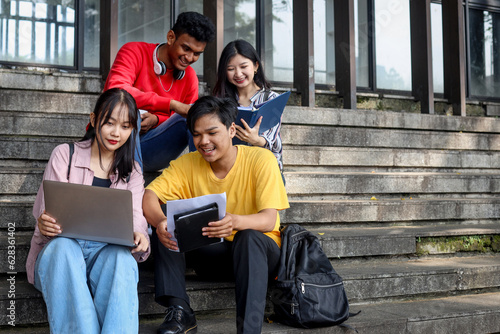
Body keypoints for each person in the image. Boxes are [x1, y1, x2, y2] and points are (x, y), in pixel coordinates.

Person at [143, 96, 289, 334]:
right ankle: (180, 311)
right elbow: (149, 195)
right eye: (197, 134)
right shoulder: (187, 164)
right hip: (214, 254)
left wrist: (236, 221)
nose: (204, 142)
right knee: (169, 223)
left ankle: (248, 330)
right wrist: (159, 222)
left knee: (248, 237)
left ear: (232, 129)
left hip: (259, 255)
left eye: (212, 132)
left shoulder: (261, 160)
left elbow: (268, 220)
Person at [26, 88, 150, 334]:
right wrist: (44, 223)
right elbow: (47, 211)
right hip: (59, 256)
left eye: (126, 126)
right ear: (94, 120)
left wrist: (140, 234)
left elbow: (136, 215)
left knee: (121, 259)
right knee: (64, 248)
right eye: (109, 123)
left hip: (102, 256)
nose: (117, 133)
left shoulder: (132, 170)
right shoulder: (65, 154)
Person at [104, 11, 215, 172]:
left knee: (192, 118)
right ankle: (128, 181)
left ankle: (200, 182)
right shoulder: (133, 51)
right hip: (112, 145)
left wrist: (156, 120)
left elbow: (182, 117)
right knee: (128, 109)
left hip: (151, 148)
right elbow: (116, 90)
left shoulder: (190, 78)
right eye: (186, 48)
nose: (190, 58)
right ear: (171, 37)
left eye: (197, 54)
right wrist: (172, 105)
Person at [213, 39, 284, 173]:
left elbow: (272, 139)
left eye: (243, 66)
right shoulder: (220, 101)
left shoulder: (271, 98)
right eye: (230, 69)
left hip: (264, 168)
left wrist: (256, 140)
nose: (238, 74)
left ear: (256, 66)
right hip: (231, 167)